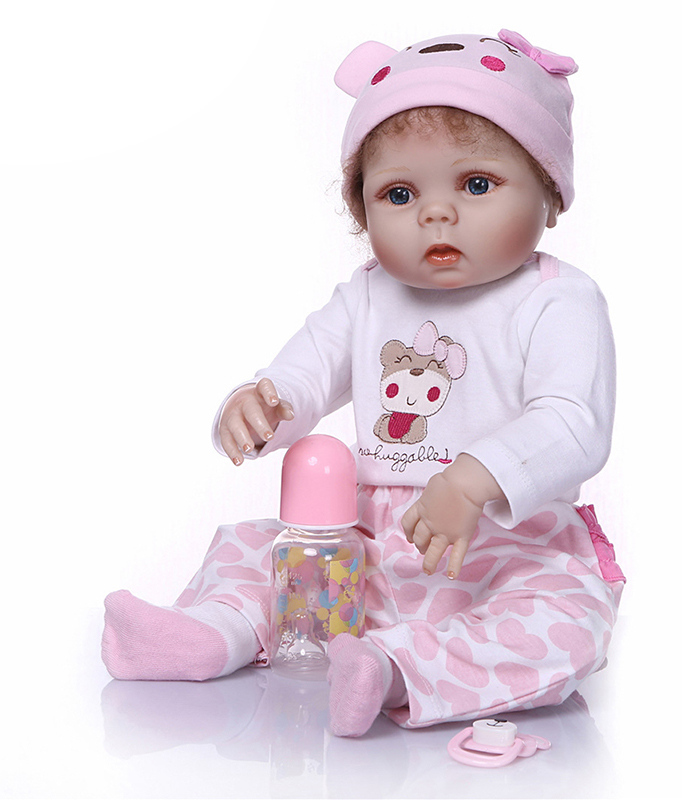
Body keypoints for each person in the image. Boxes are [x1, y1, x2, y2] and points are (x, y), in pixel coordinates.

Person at [102, 29, 625, 738]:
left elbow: (573, 423)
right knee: (254, 547)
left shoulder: (558, 299)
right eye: (400, 193)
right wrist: (263, 404)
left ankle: (397, 669)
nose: (435, 213)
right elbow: (306, 370)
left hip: (504, 546)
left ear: (551, 195)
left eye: (477, 184)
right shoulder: (369, 294)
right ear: (363, 214)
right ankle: (210, 630)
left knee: (568, 620)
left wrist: (472, 481)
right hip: (363, 545)